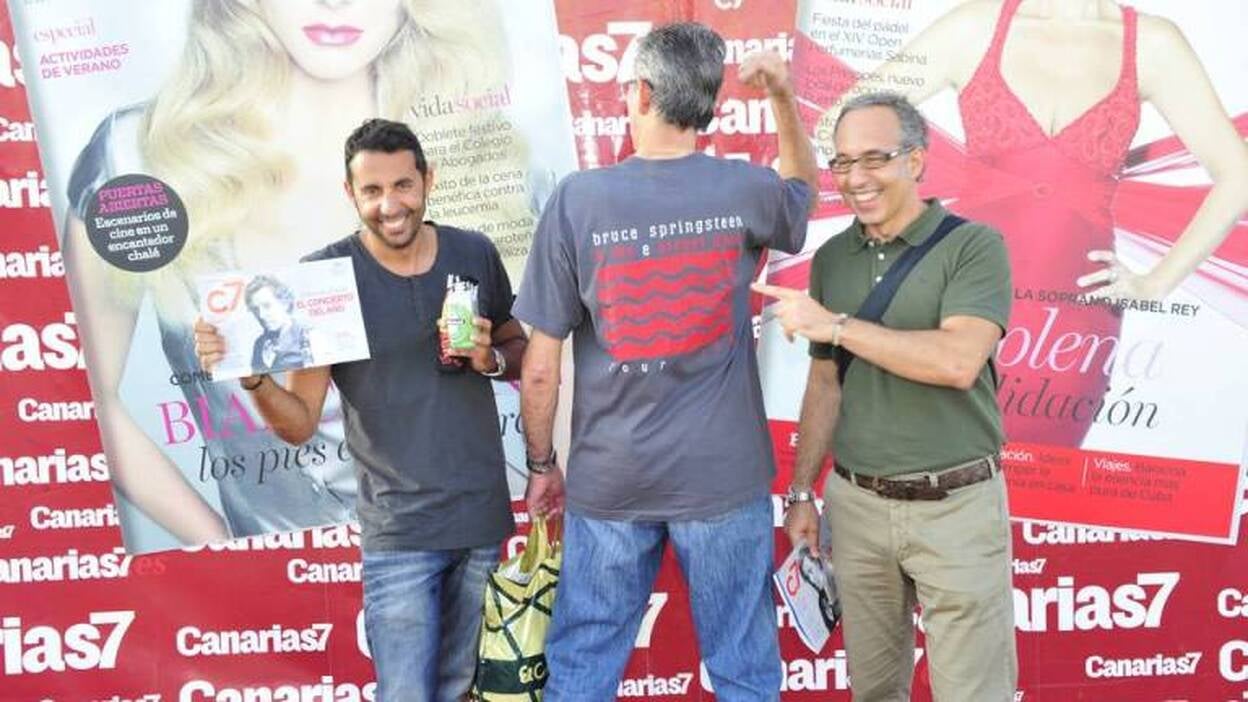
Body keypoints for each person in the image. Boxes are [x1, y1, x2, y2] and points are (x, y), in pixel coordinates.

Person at [59, 0, 533, 545]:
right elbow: (82, 395)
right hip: (284, 599)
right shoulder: (140, 157)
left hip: (491, 549)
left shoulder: (485, 155)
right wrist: (224, 552)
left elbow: (554, 366)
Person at [516, 23, 818, 700]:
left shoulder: (577, 201)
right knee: (743, 666)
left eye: (628, 86)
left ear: (645, 93)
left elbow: (540, 368)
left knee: (584, 665)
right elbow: (803, 188)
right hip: (723, 478)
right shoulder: (746, 189)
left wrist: (541, 466)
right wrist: (784, 100)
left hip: (612, 480)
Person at [807, 0, 1248, 446]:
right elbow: (834, 127)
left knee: (1041, 482)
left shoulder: (1153, 42)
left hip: (1072, 325)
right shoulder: (974, 26)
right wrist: (913, 227)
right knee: (933, 472)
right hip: (957, 301)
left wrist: (1156, 283)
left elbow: (1238, 175)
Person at [195, 118, 525, 701]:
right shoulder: (326, 280)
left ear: (428, 180)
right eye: (372, 191)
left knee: (464, 691)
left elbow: (518, 348)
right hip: (398, 531)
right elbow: (298, 424)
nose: (389, 205)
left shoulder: (474, 251)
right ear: (351, 194)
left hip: (481, 520)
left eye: (402, 185)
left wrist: (489, 358)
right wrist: (252, 377)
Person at [755, 92, 1015, 701]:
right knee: (873, 693)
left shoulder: (974, 246)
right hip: (857, 508)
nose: (856, 178)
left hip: (956, 504)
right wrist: (801, 493)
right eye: (843, 163)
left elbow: (956, 361)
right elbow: (825, 382)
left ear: (917, 160)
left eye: (875, 158)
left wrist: (838, 326)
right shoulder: (833, 258)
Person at [243, 275, 314, 373]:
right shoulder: (260, 344)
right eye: (255, 309)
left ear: (284, 303)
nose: (261, 315)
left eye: (267, 306)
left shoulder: (308, 337)